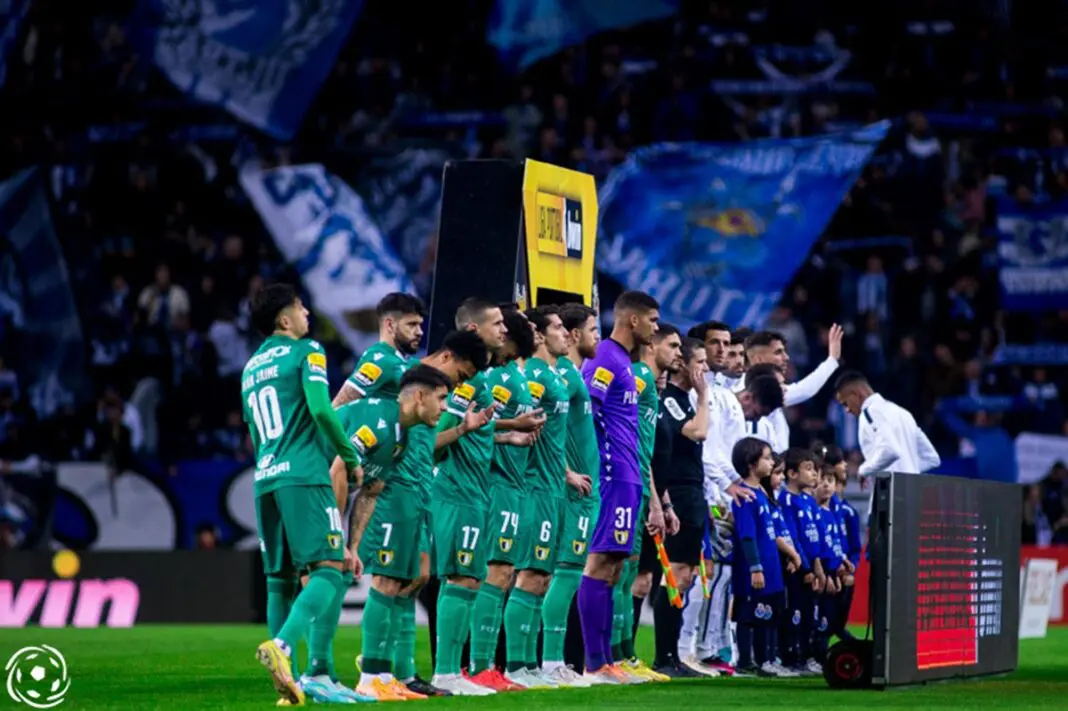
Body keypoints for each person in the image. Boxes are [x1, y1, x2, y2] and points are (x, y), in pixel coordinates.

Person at [338, 320, 494, 699]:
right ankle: (374, 670)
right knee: (389, 579)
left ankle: (402, 674)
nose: (457, 388)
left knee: (418, 577)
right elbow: (343, 405)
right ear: (446, 357)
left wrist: (463, 429)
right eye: (460, 374)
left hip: (421, 491)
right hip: (395, 490)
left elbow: (430, 446)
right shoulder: (404, 381)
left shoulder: (433, 405)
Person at [242, 283, 365, 706]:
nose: (308, 314)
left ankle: (285, 684)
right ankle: (287, 648)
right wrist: (349, 456)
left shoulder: (250, 368)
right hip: (304, 475)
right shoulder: (307, 351)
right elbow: (320, 408)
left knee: (280, 581)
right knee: (332, 568)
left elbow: (253, 433)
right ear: (283, 319)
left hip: (266, 477)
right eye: (300, 308)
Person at [428, 298, 543, 697]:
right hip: (458, 493)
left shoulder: (480, 379)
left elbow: (468, 430)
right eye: (497, 322)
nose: (505, 329)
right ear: (475, 329)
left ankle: (459, 671)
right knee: (461, 579)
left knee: (470, 580)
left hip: (473, 494)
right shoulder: (467, 384)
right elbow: (433, 438)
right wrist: (465, 431)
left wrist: (503, 434)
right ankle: (448, 672)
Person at [334, 365, 457, 700]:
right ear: (419, 397)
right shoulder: (379, 423)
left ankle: (380, 673)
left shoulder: (401, 436)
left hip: (353, 494)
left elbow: (372, 488)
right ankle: (361, 675)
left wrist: (353, 544)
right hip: (301, 477)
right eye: (442, 399)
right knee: (370, 580)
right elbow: (337, 469)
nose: (445, 407)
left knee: (396, 580)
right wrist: (334, 536)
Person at [577, 290, 665, 684]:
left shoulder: (625, 364)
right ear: (633, 320)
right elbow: (586, 413)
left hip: (628, 475)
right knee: (598, 563)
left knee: (614, 567)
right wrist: (596, 466)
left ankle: (607, 660)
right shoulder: (605, 359)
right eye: (653, 320)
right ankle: (593, 663)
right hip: (612, 474)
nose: (656, 328)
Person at [466, 307, 539, 691]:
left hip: (515, 485)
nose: (533, 331)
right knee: (494, 573)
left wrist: (513, 436)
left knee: (504, 573)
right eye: (522, 326)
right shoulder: (494, 378)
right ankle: (480, 665)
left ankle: (489, 664)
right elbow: (472, 425)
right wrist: (512, 429)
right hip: (495, 486)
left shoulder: (515, 375)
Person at [541, 303, 600, 683]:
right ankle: (549, 662)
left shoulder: (571, 374)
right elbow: (549, 427)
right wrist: (566, 473)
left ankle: (555, 661)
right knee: (564, 574)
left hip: (585, 489)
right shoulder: (562, 374)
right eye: (593, 329)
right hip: (573, 493)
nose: (598, 337)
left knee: (568, 575)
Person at [649, 337, 715, 678]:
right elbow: (698, 432)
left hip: (691, 492)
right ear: (685, 365)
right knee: (673, 573)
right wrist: (704, 397)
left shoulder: (684, 400)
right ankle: (664, 657)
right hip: (679, 491)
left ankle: (673, 656)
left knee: (685, 575)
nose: (705, 369)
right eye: (700, 362)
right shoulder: (673, 399)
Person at [619, 325, 682, 682]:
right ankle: (604, 657)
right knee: (618, 574)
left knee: (626, 573)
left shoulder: (648, 384)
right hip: (624, 488)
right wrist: (657, 504)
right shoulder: (638, 378)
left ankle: (624, 656)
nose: (677, 352)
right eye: (672, 345)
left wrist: (662, 503)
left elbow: (647, 457)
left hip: (642, 490)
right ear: (652, 345)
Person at [730, 437, 785, 677]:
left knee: (768, 614)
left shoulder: (761, 492)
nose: (772, 462)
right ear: (752, 463)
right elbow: (747, 535)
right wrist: (755, 567)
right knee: (748, 613)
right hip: (753, 566)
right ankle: (744, 661)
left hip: (770, 563)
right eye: (767, 457)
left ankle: (765, 660)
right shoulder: (745, 495)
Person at [741, 325, 844, 452]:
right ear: (758, 359)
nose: (786, 357)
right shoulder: (749, 389)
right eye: (778, 352)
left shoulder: (768, 386)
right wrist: (832, 361)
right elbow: (804, 390)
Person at [833, 370, 941, 484]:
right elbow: (932, 458)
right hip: (914, 494)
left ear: (856, 393)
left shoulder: (869, 413)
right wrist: (908, 472)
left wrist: (863, 470)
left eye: (845, 403)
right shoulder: (902, 413)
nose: (847, 410)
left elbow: (889, 450)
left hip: (892, 495)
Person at [702, 369, 785, 505]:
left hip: (720, 488)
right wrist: (741, 482)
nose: (757, 420)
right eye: (757, 413)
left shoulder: (733, 408)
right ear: (747, 398)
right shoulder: (725, 406)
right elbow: (714, 452)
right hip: (713, 488)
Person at [776, 447, 824, 675]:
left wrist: (818, 567)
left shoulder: (808, 500)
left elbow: (815, 538)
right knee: (793, 612)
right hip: (795, 567)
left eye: (815, 469)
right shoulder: (786, 500)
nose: (814, 474)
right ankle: (790, 657)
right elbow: (792, 536)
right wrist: (805, 567)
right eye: (808, 469)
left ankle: (805, 656)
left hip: (812, 566)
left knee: (808, 614)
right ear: (792, 473)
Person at [332, 293, 426, 407]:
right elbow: (337, 407)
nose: (419, 332)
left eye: (420, 325)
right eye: (412, 324)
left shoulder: (407, 362)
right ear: (390, 325)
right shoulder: (380, 360)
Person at [758, 454, 802, 678]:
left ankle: (772, 658)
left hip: (779, 563)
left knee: (776, 612)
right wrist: (793, 554)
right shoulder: (764, 499)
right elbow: (773, 535)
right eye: (777, 472)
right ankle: (760, 659)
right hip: (767, 564)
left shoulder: (772, 500)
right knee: (763, 614)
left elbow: (784, 533)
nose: (781, 477)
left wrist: (791, 556)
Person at [811, 466, 852, 662]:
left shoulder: (833, 514)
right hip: (822, 574)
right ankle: (813, 657)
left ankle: (821, 656)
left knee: (829, 619)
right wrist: (826, 574)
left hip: (834, 573)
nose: (826, 484)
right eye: (822, 480)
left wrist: (843, 561)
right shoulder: (814, 511)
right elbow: (817, 546)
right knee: (820, 619)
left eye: (830, 481)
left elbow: (835, 544)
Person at [687, 320, 731, 389]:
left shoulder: (730, 389)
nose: (721, 350)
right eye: (714, 342)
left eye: (726, 343)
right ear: (697, 346)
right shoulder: (687, 387)